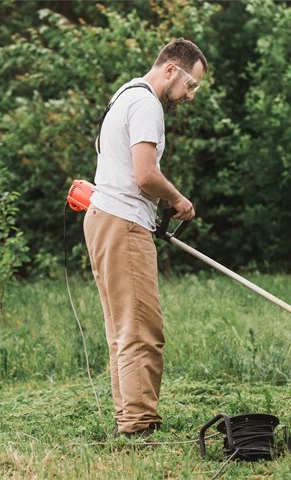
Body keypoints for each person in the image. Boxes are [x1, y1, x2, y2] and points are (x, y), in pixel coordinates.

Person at [83, 38, 208, 438]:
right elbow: (144, 174)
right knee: (141, 330)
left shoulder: (124, 94)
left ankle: (130, 419)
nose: (190, 96)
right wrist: (177, 199)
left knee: (121, 329)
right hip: (122, 224)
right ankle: (139, 426)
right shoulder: (147, 104)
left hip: (102, 218)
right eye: (191, 85)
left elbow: (105, 150)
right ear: (171, 69)